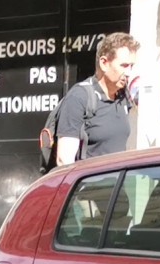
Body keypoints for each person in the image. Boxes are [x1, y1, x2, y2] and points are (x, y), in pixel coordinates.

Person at [53, 33, 139, 167]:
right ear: (104, 63)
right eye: (124, 65)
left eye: (131, 66)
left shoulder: (123, 97)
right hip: (91, 186)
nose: (128, 73)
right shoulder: (79, 97)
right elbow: (64, 160)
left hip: (116, 185)